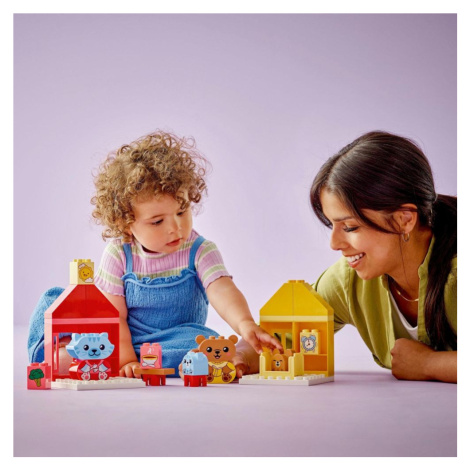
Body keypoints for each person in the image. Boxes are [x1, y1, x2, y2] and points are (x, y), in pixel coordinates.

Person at [28, 131, 281, 377]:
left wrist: (244, 322)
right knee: (55, 303)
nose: (176, 227)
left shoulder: (200, 250)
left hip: (179, 337)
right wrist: (126, 360)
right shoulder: (119, 254)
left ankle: (235, 355)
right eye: (157, 221)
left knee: (211, 345)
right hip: (125, 338)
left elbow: (222, 290)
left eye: (182, 212)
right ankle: (67, 353)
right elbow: (114, 316)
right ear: (126, 223)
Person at [234, 131, 456, 383]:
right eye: (332, 225)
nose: (334, 244)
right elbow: (276, 337)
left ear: (404, 220)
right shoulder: (348, 281)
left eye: (350, 227)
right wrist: (239, 356)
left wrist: (429, 364)